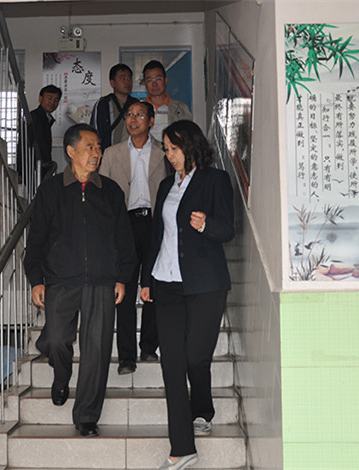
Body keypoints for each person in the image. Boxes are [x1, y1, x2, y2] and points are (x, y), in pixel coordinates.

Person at [24, 123, 137, 438]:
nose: (96, 153)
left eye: (99, 147)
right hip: (61, 279)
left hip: (102, 281)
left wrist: (122, 278)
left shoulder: (110, 191)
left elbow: (124, 240)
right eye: (90, 146)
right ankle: (61, 375)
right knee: (56, 340)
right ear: (71, 151)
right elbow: (37, 239)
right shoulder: (51, 190)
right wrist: (36, 279)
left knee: (96, 350)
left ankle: (87, 415)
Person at [140, 120, 234, 470]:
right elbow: (157, 236)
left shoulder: (215, 180)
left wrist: (206, 224)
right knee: (172, 363)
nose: (170, 155)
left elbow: (228, 229)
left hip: (205, 283)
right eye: (166, 149)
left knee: (196, 356)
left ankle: (203, 409)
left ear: (191, 145)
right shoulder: (166, 185)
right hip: (166, 282)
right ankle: (182, 447)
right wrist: (147, 278)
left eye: (174, 148)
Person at [99, 101, 169, 375]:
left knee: (154, 285)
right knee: (124, 290)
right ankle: (126, 356)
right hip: (123, 225)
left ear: (151, 120)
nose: (133, 119)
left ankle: (149, 346)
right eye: (129, 114)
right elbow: (102, 194)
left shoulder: (165, 152)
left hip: (154, 224)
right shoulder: (111, 153)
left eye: (140, 114)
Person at [90, 64, 139, 150]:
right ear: (112, 82)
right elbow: (96, 133)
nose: (127, 81)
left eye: (129, 78)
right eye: (123, 78)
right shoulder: (104, 103)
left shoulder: (136, 104)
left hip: (132, 153)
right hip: (109, 154)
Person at [17, 85, 62, 181]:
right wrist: (20, 172)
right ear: (40, 99)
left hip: (39, 169)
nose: (52, 102)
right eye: (49, 98)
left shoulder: (45, 119)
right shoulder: (34, 118)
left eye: (56, 100)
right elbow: (23, 144)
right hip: (32, 170)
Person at [142, 60, 192, 141]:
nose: (154, 84)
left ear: (165, 81)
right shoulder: (137, 110)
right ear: (145, 84)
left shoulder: (181, 108)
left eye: (158, 79)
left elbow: (189, 139)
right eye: (149, 80)